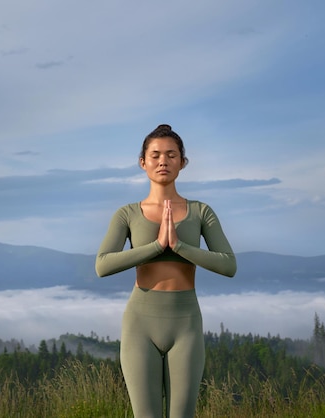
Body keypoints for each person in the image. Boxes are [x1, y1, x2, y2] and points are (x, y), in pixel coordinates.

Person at [95, 124, 237, 418]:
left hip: (185, 322)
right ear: (142, 162)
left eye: (171, 155)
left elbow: (228, 264)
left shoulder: (201, 211)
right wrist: (157, 246)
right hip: (140, 324)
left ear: (182, 163)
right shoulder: (127, 214)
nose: (163, 161)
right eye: (155, 155)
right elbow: (102, 265)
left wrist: (180, 246)